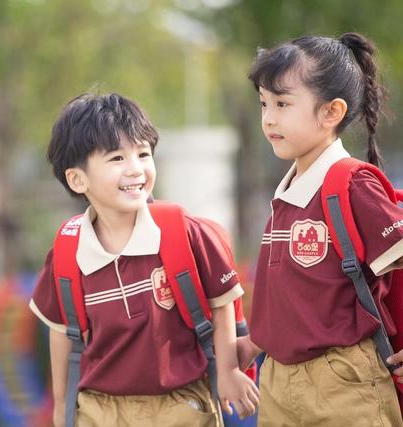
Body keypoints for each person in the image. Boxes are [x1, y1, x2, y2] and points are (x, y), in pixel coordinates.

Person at [29, 93, 259, 427]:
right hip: (99, 410)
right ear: (78, 179)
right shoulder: (68, 252)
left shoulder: (183, 232)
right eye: (117, 158)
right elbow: (63, 334)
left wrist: (228, 371)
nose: (135, 169)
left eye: (143, 154)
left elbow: (222, 304)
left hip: (181, 407)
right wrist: (62, 409)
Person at [236, 32, 403, 426]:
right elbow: (305, 295)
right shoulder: (288, 193)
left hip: (344, 382)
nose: (269, 118)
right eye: (264, 104)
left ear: (331, 113)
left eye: (282, 103)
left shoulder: (351, 183)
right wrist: (255, 342)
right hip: (277, 380)